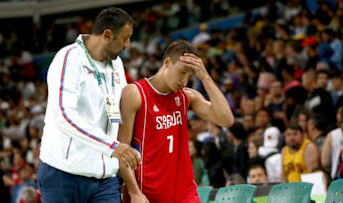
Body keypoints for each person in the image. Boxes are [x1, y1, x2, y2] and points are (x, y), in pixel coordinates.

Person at [38, 7, 141, 203]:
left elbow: (121, 109)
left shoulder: (117, 64)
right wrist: (112, 146)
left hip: (105, 179)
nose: (128, 45)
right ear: (107, 35)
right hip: (63, 175)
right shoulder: (68, 59)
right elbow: (64, 116)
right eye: (125, 38)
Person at [118, 40, 234, 202]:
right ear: (167, 63)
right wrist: (134, 192)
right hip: (148, 194)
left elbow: (226, 120)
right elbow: (122, 149)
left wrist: (205, 77)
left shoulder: (186, 96)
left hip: (185, 193)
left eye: (190, 75)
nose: (184, 80)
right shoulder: (135, 93)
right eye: (182, 72)